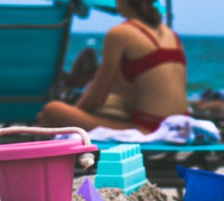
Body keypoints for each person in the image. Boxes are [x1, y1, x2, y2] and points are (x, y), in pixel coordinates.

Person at [37, 0, 187, 132]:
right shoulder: (171, 34)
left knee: (52, 111)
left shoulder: (120, 33)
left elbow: (95, 99)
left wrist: (73, 115)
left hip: (149, 128)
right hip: (181, 124)